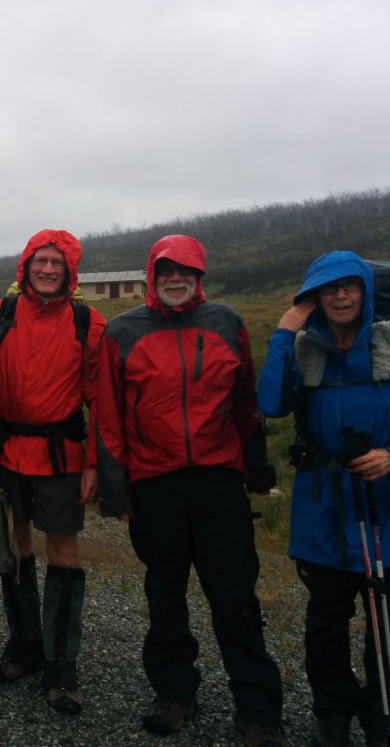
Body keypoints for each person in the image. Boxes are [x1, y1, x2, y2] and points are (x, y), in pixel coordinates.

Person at [96, 234, 285, 747]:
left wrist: (257, 466)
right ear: (151, 275)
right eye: (166, 271)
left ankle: (258, 709)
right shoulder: (122, 330)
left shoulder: (227, 322)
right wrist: (115, 491)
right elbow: (109, 416)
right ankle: (174, 692)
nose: (175, 279)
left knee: (234, 593)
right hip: (154, 484)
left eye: (186, 271)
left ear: (199, 276)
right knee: (165, 593)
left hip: (217, 481)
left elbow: (245, 402)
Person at [0, 228, 104, 715]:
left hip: (61, 457)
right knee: (15, 547)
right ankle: (25, 645)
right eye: (40, 261)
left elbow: (101, 401)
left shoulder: (87, 322)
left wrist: (93, 463)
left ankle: (61, 665)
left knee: (63, 552)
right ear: (25, 266)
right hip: (5, 454)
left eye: (56, 263)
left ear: (69, 271)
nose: (47, 269)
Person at [257, 252, 390, 747]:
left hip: (383, 508)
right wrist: (283, 333)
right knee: (326, 623)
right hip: (323, 509)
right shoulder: (305, 347)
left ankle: (381, 717)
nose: (340, 296)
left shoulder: (387, 344)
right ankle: (332, 714)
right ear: (313, 298)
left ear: (365, 291)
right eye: (328, 288)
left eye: (349, 286)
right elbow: (270, 403)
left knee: (383, 621)